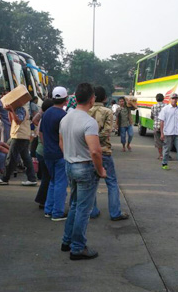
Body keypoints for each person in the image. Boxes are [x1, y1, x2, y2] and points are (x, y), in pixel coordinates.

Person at [60, 83, 106, 261]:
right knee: (83, 210)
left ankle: (67, 240)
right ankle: (78, 247)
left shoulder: (66, 118)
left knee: (74, 205)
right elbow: (95, 151)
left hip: (70, 165)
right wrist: (101, 170)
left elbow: (61, 143)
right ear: (92, 99)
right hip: (85, 167)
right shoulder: (89, 122)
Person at [89, 86, 129, 221]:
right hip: (104, 151)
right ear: (105, 98)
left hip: (89, 151)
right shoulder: (107, 111)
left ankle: (92, 210)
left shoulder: (86, 111)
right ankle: (115, 212)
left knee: (92, 184)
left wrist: (89, 140)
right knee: (111, 182)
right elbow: (107, 132)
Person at [40, 86, 69, 221]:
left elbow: (41, 134)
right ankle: (57, 212)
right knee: (61, 183)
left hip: (48, 153)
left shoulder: (46, 113)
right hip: (60, 154)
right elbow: (65, 137)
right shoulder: (64, 116)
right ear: (66, 99)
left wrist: (47, 147)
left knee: (53, 181)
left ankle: (49, 209)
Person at [0, 103, 38, 186]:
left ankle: (4, 179)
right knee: (26, 157)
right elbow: (11, 120)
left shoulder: (21, 109)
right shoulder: (21, 108)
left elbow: (18, 121)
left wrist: (12, 110)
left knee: (11, 158)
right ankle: (32, 178)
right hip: (22, 135)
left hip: (19, 136)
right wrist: (10, 111)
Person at [34, 99, 55, 208]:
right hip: (44, 151)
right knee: (48, 178)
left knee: (46, 177)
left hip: (40, 151)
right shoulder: (47, 119)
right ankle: (43, 200)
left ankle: (44, 200)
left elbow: (34, 120)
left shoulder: (43, 118)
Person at [151, 93, 166, 160]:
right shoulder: (166, 106)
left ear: (156, 99)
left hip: (156, 125)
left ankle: (160, 155)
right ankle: (166, 154)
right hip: (165, 126)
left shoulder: (153, 106)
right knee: (165, 141)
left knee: (158, 142)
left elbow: (152, 116)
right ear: (163, 98)